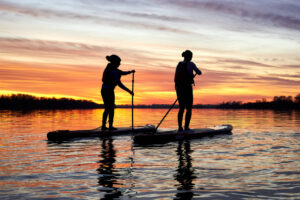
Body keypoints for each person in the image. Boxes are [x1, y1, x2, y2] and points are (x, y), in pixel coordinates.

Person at [101, 54, 134, 131]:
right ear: (115, 62)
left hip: (108, 91)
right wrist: (129, 91)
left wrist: (130, 72)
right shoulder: (112, 71)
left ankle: (108, 126)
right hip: (107, 91)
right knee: (109, 108)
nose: (120, 64)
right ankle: (106, 126)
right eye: (119, 62)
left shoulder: (112, 69)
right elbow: (119, 84)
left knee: (110, 108)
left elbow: (122, 73)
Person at [174, 50, 202, 132]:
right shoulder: (191, 64)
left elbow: (175, 79)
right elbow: (199, 72)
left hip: (178, 88)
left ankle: (180, 128)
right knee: (189, 108)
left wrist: (179, 88)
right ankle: (186, 127)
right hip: (187, 88)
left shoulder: (179, 64)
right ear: (189, 56)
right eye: (191, 56)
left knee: (181, 108)